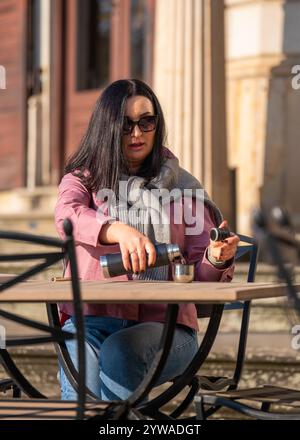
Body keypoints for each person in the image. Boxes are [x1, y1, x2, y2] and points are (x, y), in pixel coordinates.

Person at [55, 78, 240, 402]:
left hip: (166, 326)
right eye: (126, 125)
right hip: (93, 317)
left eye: (146, 121)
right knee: (76, 346)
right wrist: (116, 230)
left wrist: (216, 258)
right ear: (108, 128)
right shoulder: (83, 181)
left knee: (120, 351)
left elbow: (201, 279)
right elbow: (66, 214)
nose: (137, 134)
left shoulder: (184, 188)